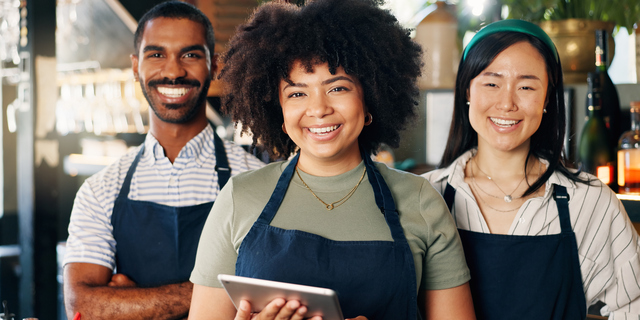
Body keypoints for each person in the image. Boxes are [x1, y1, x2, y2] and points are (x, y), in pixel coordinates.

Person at [188, 0, 475, 319]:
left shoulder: (422, 202)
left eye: (337, 88)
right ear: (279, 113)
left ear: (370, 101)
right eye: (297, 93)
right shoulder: (238, 198)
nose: (318, 108)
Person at [422, 19, 640, 319]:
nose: (507, 103)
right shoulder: (423, 197)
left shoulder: (589, 203)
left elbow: (634, 305)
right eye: (491, 83)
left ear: (548, 97)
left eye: (526, 86)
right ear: (467, 91)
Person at [62, 2, 265, 319]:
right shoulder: (100, 191)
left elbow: (275, 291)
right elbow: (81, 306)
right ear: (135, 66)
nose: (173, 71)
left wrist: (131, 304)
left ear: (215, 66)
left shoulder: (258, 181)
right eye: (156, 55)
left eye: (191, 55)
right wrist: (231, 291)